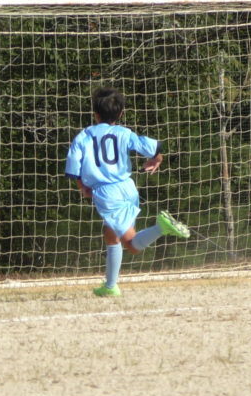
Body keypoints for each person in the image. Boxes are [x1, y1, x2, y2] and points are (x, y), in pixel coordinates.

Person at [65, 87, 190, 297]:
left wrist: (82, 187)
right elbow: (152, 148)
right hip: (128, 187)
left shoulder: (84, 136)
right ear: (121, 113)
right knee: (110, 234)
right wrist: (157, 159)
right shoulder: (124, 133)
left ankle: (161, 227)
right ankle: (110, 286)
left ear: (95, 114)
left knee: (131, 244)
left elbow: (73, 164)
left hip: (107, 193)